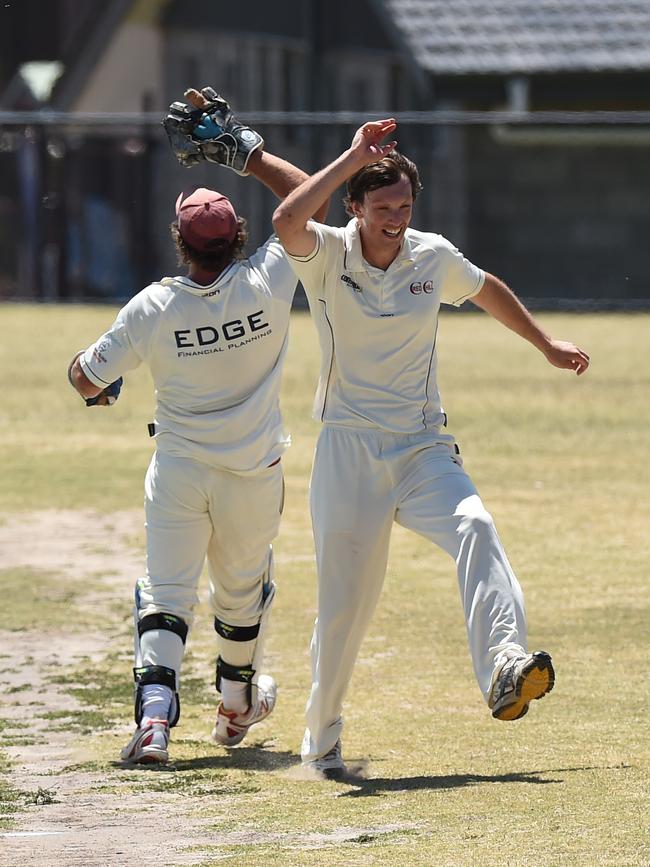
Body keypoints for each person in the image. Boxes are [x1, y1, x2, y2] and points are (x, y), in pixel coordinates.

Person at [272, 118, 590, 779]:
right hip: (349, 451)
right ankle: (321, 738)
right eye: (382, 207)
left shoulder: (431, 256)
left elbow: (485, 287)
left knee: (476, 524)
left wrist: (545, 343)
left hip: (422, 445)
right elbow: (285, 220)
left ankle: (505, 665)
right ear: (355, 207)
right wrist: (353, 157)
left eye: (404, 207)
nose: (395, 219)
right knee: (344, 611)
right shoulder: (328, 256)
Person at [67, 88, 327, 765]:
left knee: (165, 593)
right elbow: (308, 200)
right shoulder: (269, 281)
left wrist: (101, 379)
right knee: (242, 594)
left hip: (179, 471)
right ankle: (237, 705)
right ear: (238, 236)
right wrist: (245, 150)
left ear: (178, 240)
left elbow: (85, 379)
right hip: (253, 472)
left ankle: (155, 723)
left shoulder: (151, 307)